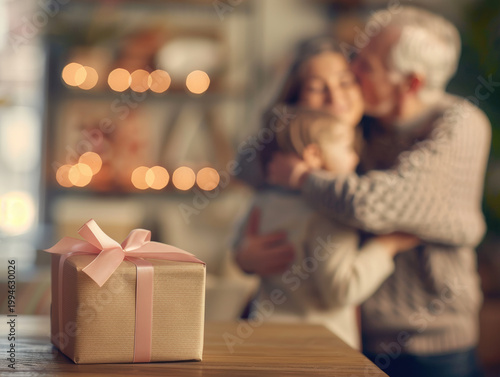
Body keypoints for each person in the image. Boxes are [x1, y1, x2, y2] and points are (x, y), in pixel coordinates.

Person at [266, 6, 490, 377]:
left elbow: (373, 203)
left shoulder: (461, 124)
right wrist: (243, 253)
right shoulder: (361, 116)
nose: (351, 72)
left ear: (411, 83)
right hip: (354, 333)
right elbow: (261, 163)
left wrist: (304, 180)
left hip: (433, 346)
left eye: (366, 66)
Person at [235, 106, 419, 350]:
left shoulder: (262, 201)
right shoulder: (329, 213)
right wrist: (387, 246)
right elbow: (342, 289)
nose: (355, 157)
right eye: (347, 148)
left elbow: (237, 245)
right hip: (320, 347)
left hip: (263, 336)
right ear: (313, 155)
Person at [234, 37, 365, 276]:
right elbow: (251, 219)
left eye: (345, 83)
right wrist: (242, 255)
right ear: (295, 97)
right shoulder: (279, 159)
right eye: (316, 88)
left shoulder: (379, 137)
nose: (335, 98)